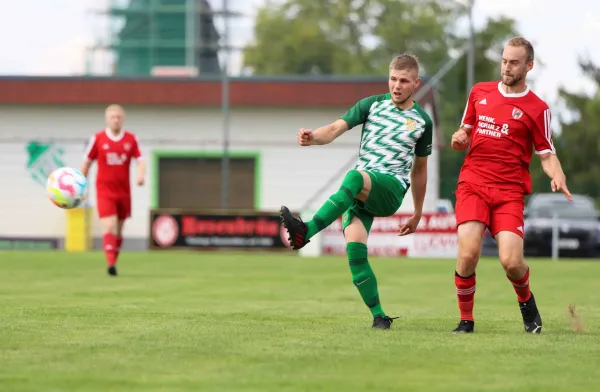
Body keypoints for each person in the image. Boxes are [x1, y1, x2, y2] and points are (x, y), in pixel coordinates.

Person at [280, 54, 432, 329]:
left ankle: (307, 231)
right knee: (355, 253)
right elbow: (335, 128)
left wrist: (418, 212)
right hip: (361, 189)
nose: (397, 86)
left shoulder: (421, 121)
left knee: (353, 177)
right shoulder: (371, 105)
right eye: (393, 79)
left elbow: (420, 169)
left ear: (416, 83)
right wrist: (313, 138)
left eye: (404, 81)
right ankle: (379, 317)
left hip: (389, 189)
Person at [450, 37, 571, 334]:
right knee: (467, 254)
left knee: (511, 261)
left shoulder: (538, 108)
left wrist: (557, 173)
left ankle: (526, 301)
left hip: (509, 192)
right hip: (473, 183)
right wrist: (458, 138)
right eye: (504, 61)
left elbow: (547, 154)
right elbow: (464, 130)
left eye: (514, 62)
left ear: (528, 66)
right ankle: (466, 320)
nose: (507, 67)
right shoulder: (479, 92)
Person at [81, 104, 145, 276]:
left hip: (124, 191)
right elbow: (86, 162)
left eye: (118, 117)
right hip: (104, 190)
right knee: (109, 226)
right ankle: (110, 263)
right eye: (112, 117)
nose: (116, 120)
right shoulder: (98, 138)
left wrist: (140, 175)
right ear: (107, 119)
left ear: (123, 119)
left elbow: (141, 159)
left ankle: (113, 261)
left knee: (119, 229)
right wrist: (80, 184)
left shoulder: (131, 139)